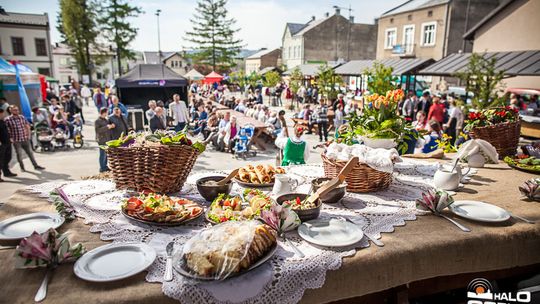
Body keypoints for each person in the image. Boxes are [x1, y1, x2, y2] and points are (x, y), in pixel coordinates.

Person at [4, 105, 45, 171]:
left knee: (30, 153)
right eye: (14, 110)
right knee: (19, 154)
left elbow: (27, 126)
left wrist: (28, 136)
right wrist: (10, 138)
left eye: (17, 110)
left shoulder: (21, 117)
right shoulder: (7, 119)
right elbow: (6, 130)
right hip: (16, 140)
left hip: (25, 138)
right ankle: (22, 167)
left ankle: (36, 165)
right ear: (10, 110)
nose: (16, 111)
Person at [94, 107, 114, 172]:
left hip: (107, 139)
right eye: (106, 112)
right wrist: (107, 127)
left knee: (106, 154)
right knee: (102, 154)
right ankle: (102, 167)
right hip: (101, 139)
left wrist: (110, 126)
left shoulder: (106, 120)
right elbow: (98, 130)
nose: (107, 114)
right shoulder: (97, 121)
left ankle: (105, 166)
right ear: (104, 112)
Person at [0, 108, 17, 180]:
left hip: (7, 142)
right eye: (2, 113)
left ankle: (6, 172)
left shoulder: (2, 121)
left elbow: (6, 131)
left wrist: (10, 138)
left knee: (8, 157)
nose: (3, 114)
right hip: (1, 143)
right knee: (0, 160)